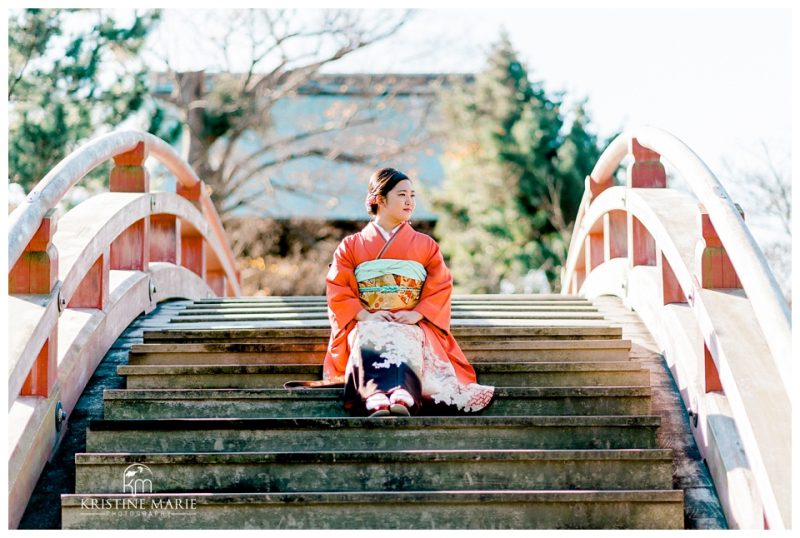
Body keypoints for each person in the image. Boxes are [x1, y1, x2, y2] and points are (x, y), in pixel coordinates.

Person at [324, 167, 494, 417]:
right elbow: (338, 287)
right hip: (368, 318)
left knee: (408, 333)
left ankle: (403, 393)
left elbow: (440, 285)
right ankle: (374, 395)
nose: (410, 201)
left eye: (413, 196)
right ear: (380, 199)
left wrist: (418, 314)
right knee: (368, 332)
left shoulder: (426, 245)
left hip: (411, 319)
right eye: (402, 195)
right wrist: (363, 314)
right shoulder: (351, 246)